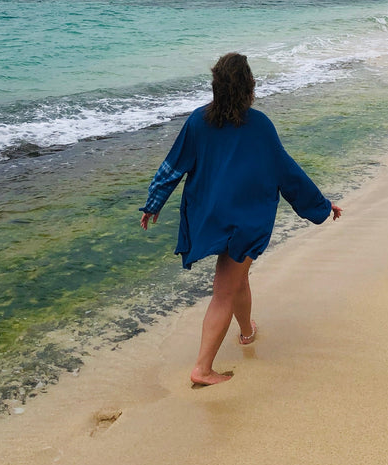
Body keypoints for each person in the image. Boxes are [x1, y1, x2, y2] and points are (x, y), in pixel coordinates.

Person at [140, 52, 342, 386]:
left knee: (237, 278)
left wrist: (153, 204)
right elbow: (288, 173)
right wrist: (322, 206)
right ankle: (202, 369)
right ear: (249, 86)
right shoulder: (259, 125)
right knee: (224, 290)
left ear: (216, 86)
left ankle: (247, 332)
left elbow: (172, 166)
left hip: (211, 215)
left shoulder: (197, 121)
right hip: (245, 219)